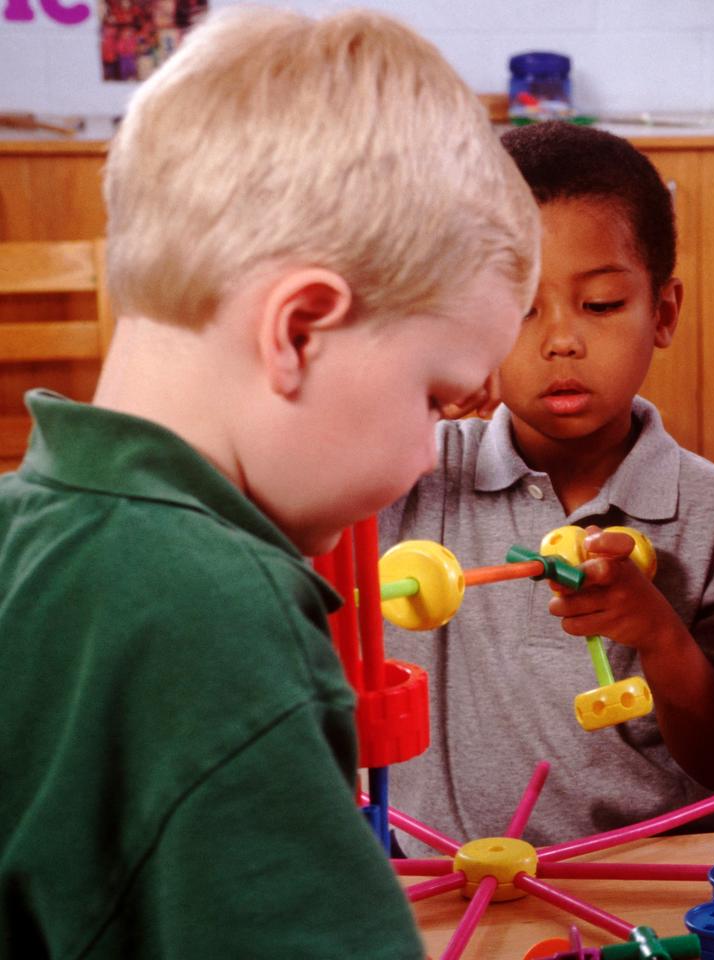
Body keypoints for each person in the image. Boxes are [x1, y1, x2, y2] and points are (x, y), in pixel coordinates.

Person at [0, 8, 538, 958]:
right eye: (436, 397)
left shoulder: (21, 529)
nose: (428, 454)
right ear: (297, 332)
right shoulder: (211, 613)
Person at [380, 122, 714, 849]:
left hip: (659, 886)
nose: (561, 339)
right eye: (521, 307)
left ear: (662, 314)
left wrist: (658, 633)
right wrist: (416, 387)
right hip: (452, 882)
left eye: (599, 306)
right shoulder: (414, 470)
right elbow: (275, 486)